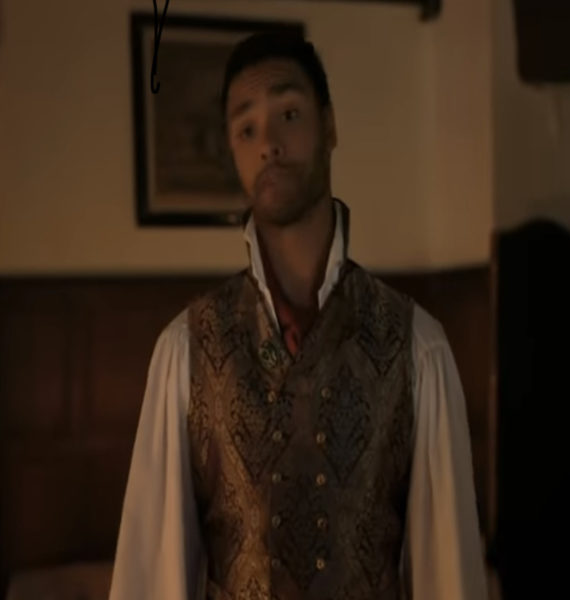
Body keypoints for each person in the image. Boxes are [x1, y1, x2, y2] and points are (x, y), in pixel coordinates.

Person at [109, 31, 488, 600]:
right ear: (233, 150)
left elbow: (448, 577)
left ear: (329, 126)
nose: (269, 144)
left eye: (288, 114)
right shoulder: (185, 352)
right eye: (247, 129)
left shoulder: (416, 346)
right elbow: (151, 580)